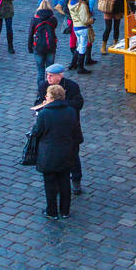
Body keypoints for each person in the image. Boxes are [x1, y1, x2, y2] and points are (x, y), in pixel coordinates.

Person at [30, 83, 83, 220]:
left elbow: (37, 132)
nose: (45, 97)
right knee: (65, 181)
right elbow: (75, 131)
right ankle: (65, 211)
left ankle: (52, 211)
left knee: (50, 183)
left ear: (51, 98)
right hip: (66, 152)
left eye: (47, 95)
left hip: (49, 153)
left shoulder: (44, 113)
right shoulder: (71, 111)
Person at [34, 63, 84, 195]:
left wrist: (58, 104)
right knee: (53, 157)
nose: (48, 78)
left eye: (51, 76)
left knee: (73, 156)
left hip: (69, 129)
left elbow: (78, 104)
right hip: (51, 131)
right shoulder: (44, 86)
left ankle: (76, 180)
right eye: (47, 75)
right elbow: (38, 101)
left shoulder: (72, 86)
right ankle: (56, 183)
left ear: (60, 76)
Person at [28, 0, 58, 89]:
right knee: (50, 71)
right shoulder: (53, 19)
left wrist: (30, 47)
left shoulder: (35, 19)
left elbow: (30, 34)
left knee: (40, 71)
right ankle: (50, 89)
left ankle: (41, 90)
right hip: (50, 47)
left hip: (38, 48)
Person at [68, 0, 94, 74]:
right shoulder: (81, 5)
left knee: (79, 46)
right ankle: (80, 67)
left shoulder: (71, 2)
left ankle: (73, 63)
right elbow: (85, 20)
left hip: (76, 27)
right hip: (82, 28)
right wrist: (91, 20)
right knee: (82, 47)